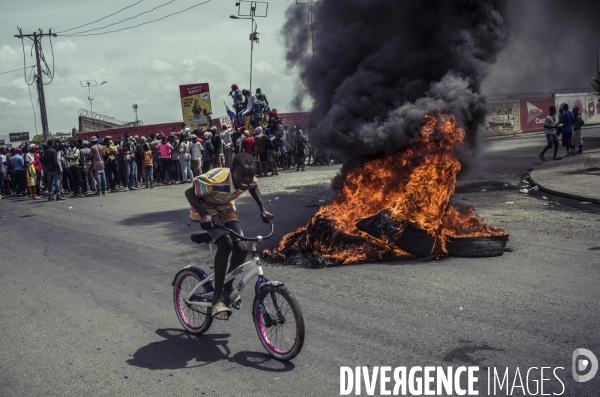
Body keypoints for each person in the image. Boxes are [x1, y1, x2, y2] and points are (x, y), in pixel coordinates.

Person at [185, 153, 273, 320]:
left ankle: (227, 287)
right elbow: (189, 193)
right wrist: (204, 214)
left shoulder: (249, 179)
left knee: (241, 248)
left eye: (250, 175)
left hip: (225, 206)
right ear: (233, 170)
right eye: (242, 175)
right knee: (225, 243)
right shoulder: (215, 180)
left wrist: (262, 209)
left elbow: (253, 187)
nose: (247, 179)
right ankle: (217, 299)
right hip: (205, 206)